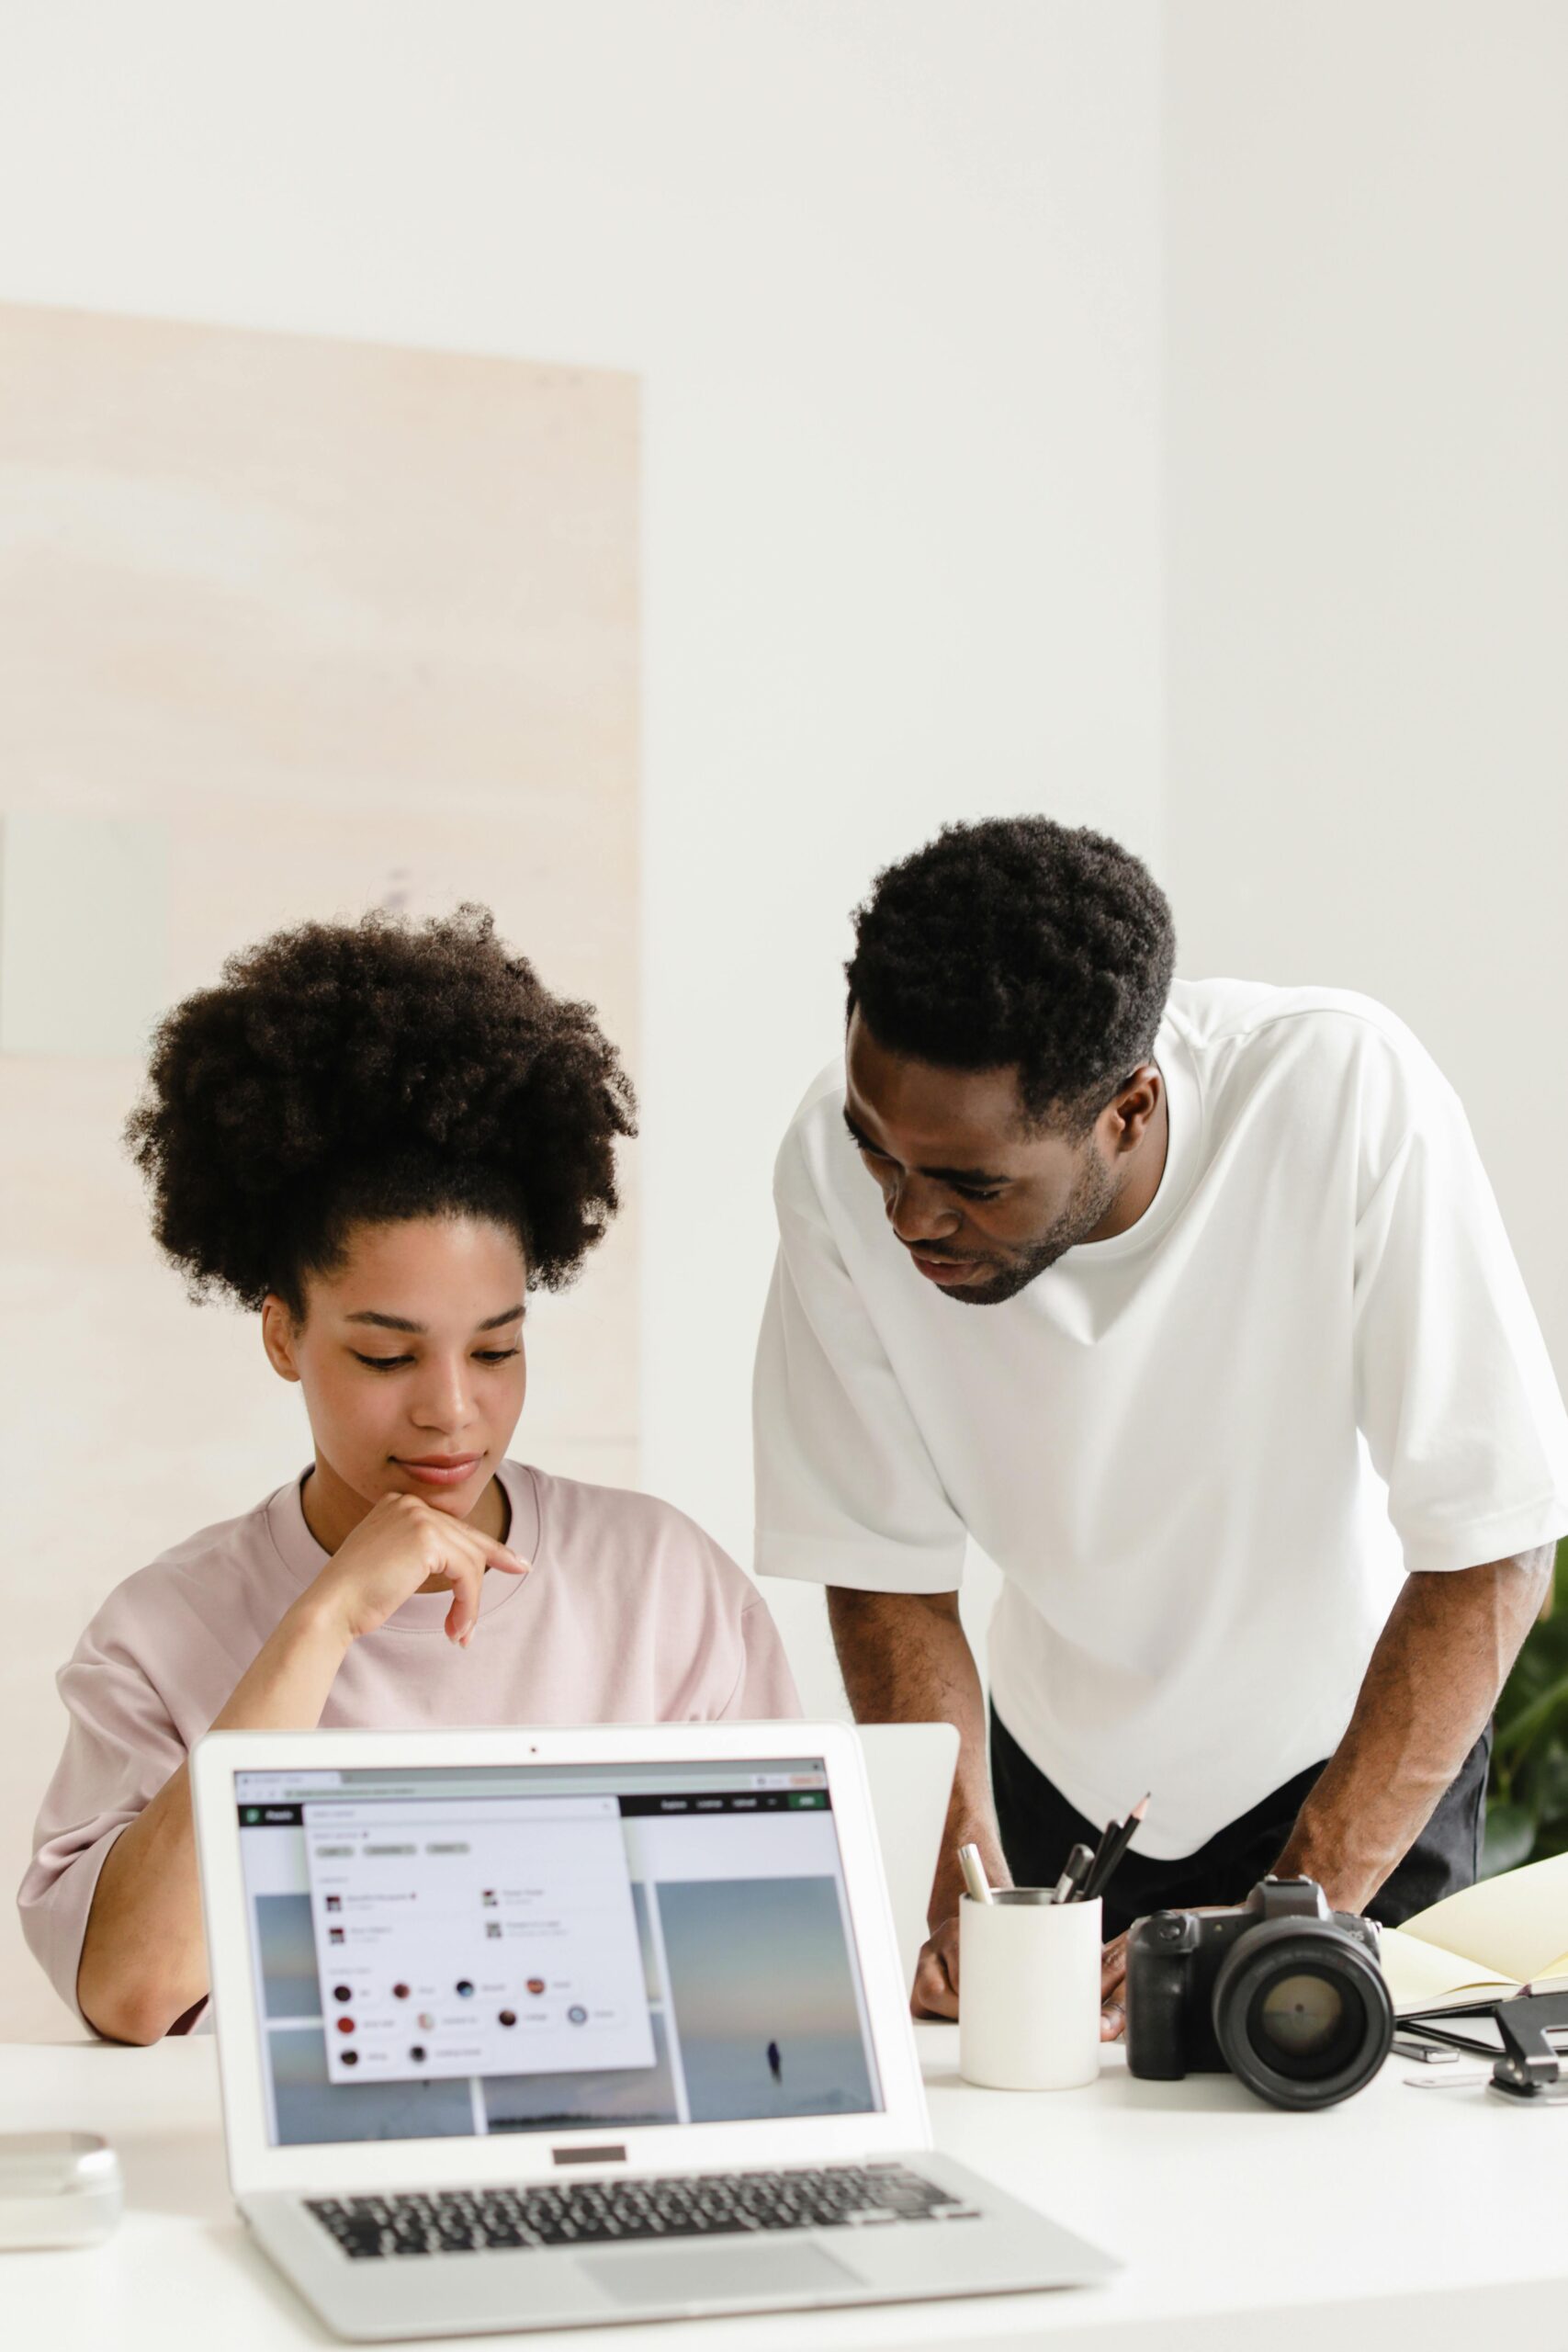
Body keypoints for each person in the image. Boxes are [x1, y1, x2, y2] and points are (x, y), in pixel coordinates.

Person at [753, 817, 1568, 2032]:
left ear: (1126, 1110)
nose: (907, 1217)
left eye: (973, 1183)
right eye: (882, 1158)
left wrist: (1299, 1901)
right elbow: (884, 1572)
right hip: (1047, 1775)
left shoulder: (1337, 1092)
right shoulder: (837, 1167)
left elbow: (1491, 1543)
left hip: (1347, 1763)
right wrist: (960, 1894)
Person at [20, 906, 799, 2044]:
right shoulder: (158, 1631)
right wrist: (324, 1618)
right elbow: (130, 1992)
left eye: (496, 1348)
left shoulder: (663, 1586)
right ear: (284, 1333)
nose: (451, 1408)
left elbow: (775, 1955)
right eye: (386, 1354)